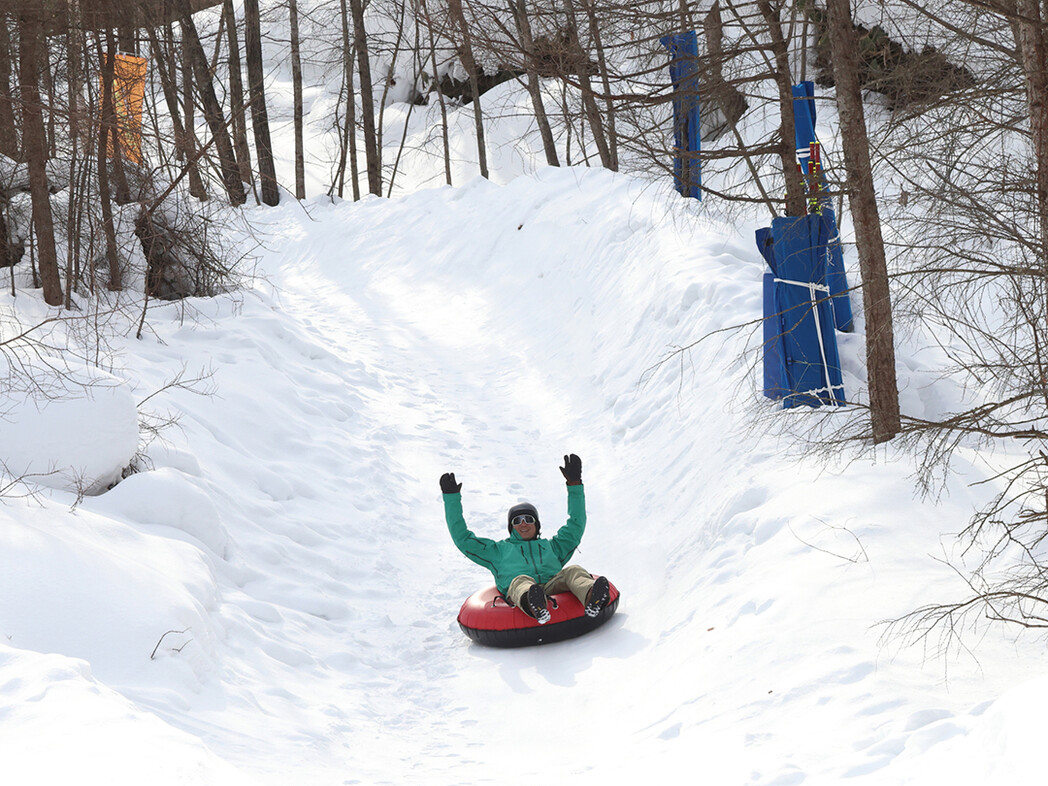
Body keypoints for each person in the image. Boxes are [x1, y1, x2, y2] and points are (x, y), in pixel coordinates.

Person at [440, 453, 610, 625]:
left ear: (536, 525)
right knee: (520, 580)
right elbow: (463, 538)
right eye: (517, 521)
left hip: (552, 585)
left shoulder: (552, 547)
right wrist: (451, 498)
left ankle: (592, 597)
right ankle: (534, 604)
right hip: (521, 592)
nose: (523, 524)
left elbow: (576, 524)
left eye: (529, 519)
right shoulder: (499, 551)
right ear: (511, 527)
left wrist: (575, 485)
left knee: (573, 570)